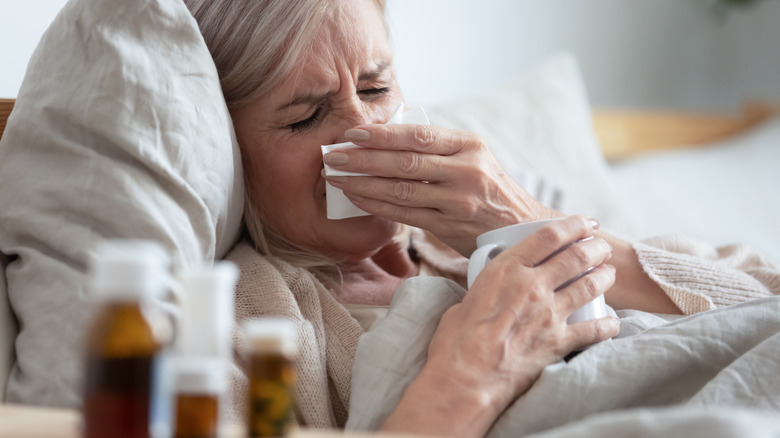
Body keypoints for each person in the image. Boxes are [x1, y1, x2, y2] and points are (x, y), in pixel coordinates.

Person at [184, 0, 780, 436]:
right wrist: (475, 373)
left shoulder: (498, 203)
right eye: (306, 116)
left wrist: (524, 217)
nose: (364, 132)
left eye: (375, 86)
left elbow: (763, 299)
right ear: (230, 149)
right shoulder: (250, 319)